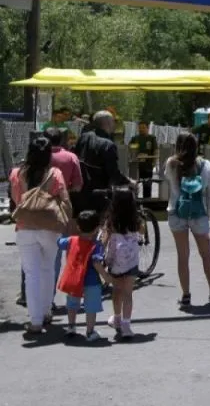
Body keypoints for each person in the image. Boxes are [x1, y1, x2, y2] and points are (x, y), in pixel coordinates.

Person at [10, 136, 71, 334]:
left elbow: (16, 199)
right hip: (49, 227)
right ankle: (46, 312)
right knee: (48, 270)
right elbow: (64, 199)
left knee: (31, 274)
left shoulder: (17, 174)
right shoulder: (55, 173)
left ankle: (35, 321)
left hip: (25, 227)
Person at [166, 133, 210, 309]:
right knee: (206, 253)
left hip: (176, 212)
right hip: (199, 214)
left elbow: (168, 181)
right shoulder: (206, 165)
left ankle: (185, 296)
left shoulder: (170, 164)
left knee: (182, 256)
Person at [57, 209, 113, 341]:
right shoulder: (96, 245)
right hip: (91, 282)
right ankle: (90, 332)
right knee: (91, 307)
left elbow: (59, 242)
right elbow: (96, 263)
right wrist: (106, 277)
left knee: (72, 304)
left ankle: (71, 326)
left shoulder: (71, 240)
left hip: (73, 280)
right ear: (97, 229)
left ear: (78, 226)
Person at [103, 186, 143, 338]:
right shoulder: (136, 221)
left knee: (117, 291)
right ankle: (126, 326)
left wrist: (101, 256)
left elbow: (104, 241)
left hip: (116, 263)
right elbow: (142, 231)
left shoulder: (111, 222)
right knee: (128, 294)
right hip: (132, 261)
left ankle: (117, 318)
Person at [74, 110, 130, 214]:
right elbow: (113, 174)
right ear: (108, 123)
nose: (114, 125)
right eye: (113, 121)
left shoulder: (83, 138)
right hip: (100, 196)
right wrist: (129, 181)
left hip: (80, 192)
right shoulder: (108, 145)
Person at [129, 122, 158, 199]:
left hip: (147, 165)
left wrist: (154, 162)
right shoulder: (135, 138)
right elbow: (130, 149)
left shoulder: (151, 138)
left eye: (143, 127)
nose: (141, 129)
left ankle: (147, 200)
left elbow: (155, 151)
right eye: (140, 128)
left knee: (147, 185)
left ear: (147, 128)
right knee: (134, 184)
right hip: (136, 166)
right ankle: (134, 200)